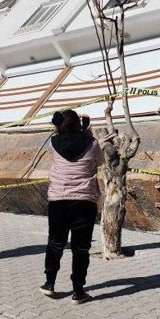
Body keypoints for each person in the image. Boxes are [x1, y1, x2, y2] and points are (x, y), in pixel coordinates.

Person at [40, 110, 104, 305]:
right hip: (84, 201)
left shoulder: (53, 143)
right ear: (80, 124)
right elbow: (100, 161)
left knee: (55, 242)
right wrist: (88, 133)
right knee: (81, 248)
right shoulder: (92, 144)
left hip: (58, 200)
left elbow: (64, 139)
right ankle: (78, 290)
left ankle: (49, 283)